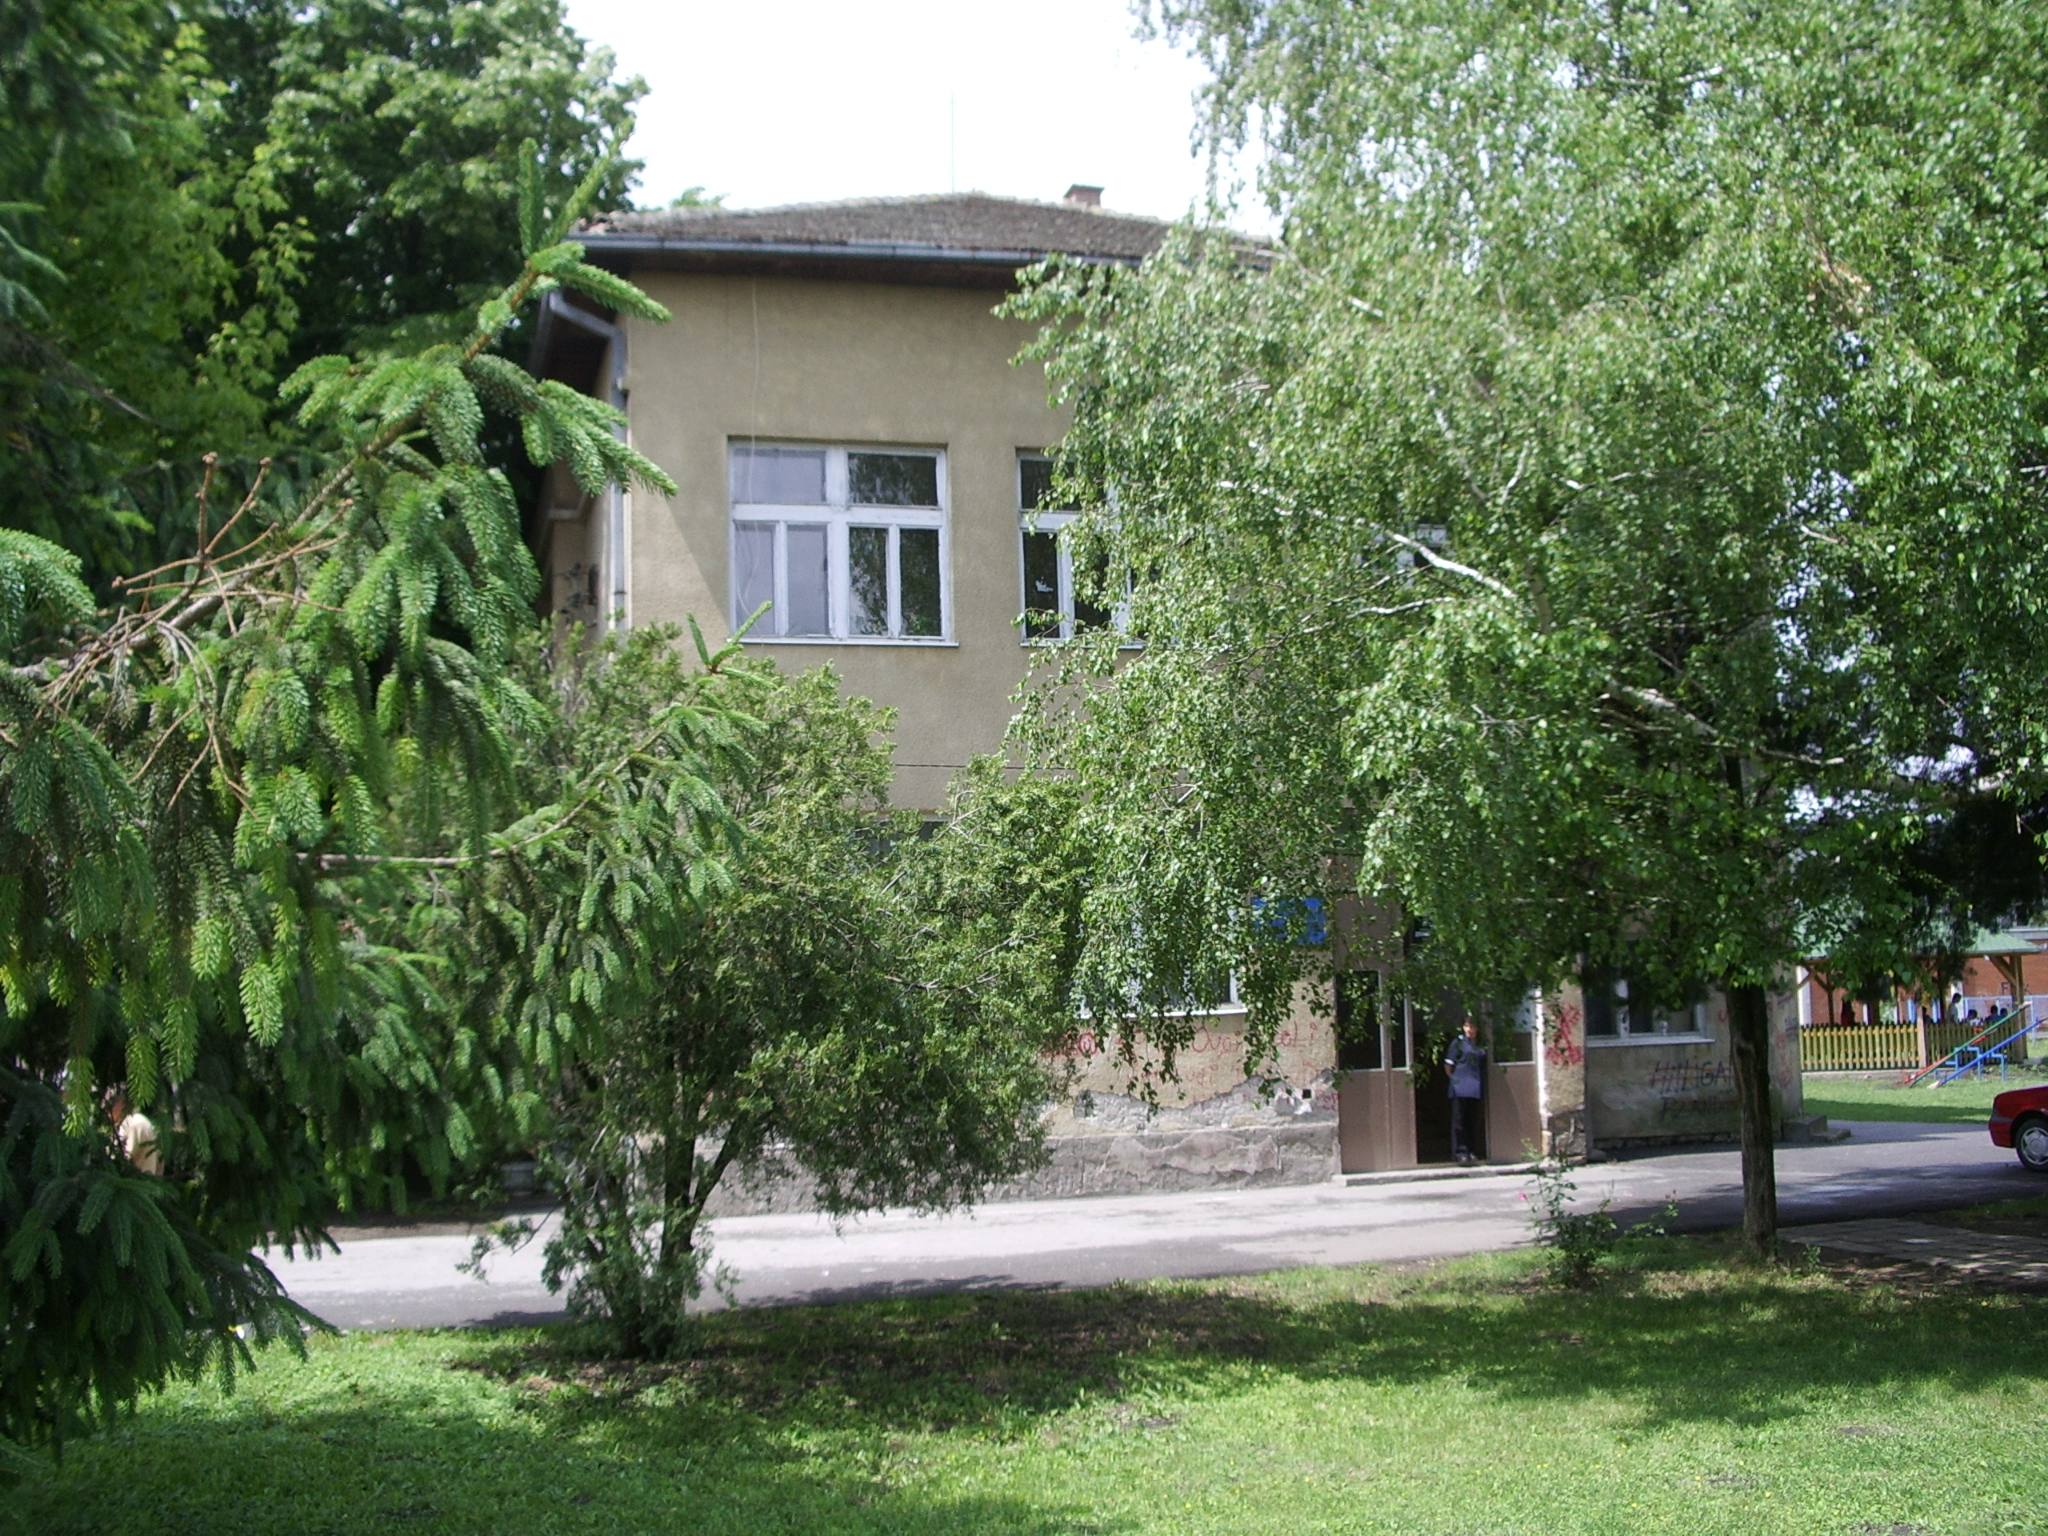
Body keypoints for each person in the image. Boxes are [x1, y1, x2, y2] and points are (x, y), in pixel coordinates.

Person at [1446, 1019, 1488, 1165]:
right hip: (1460, 1088)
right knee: (1459, 1121)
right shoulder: (1457, 1043)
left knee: (1472, 1121)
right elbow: (1448, 1066)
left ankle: (1470, 1151)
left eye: (1472, 1026)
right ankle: (1460, 1152)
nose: (1470, 1029)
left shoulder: (1480, 1045)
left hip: (1475, 1087)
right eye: (1467, 1026)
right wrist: (1456, 1081)